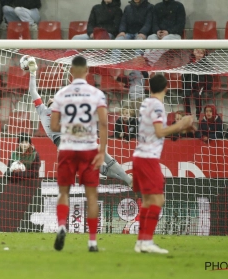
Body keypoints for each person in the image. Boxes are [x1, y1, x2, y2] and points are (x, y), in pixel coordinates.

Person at [23, 55, 133, 187]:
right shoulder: (44, 110)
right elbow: (33, 91)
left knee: (99, 167)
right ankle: (127, 179)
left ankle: (128, 180)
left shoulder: (60, 110)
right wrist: (33, 73)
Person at [50, 56, 107, 252]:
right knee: (91, 196)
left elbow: (54, 125)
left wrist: (71, 127)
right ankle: (92, 242)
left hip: (67, 147)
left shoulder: (61, 95)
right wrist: (102, 151)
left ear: (71, 71)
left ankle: (61, 226)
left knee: (63, 192)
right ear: (87, 71)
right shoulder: (96, 94)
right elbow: (104, 123)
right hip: (89, 149)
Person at [133, 74, 193, 253]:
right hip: (148, 157)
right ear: (167, 87)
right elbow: (159, 132)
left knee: (146, 201)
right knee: (159, 199)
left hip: (140, 155)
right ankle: (148, 241)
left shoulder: (146, 103)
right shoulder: (157, 105)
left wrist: (180, 127)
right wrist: (181, 124)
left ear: (149, 87)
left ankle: (141, 242)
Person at [144, 0, 185, 65]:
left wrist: (168, 32)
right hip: (159, 34)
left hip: (174, 35)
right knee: (151, 37)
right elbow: (154, 23)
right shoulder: (157, 6)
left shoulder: (179, 6)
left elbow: (180, 25)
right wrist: (157, 31)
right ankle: (146, 59)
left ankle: (148, 62)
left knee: (165, 40)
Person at [182, 49, 213, 120]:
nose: (199, 54)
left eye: (201, 53)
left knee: (197, 94)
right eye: (197, 52)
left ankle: (198, 113)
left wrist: (207, 86)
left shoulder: (206, 64)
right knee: (185, 94)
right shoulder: (189, 63)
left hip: (201, 85)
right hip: (190, 84)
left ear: (204, 54)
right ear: (193, 52)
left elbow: (209, 78)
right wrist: (184, 85)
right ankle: (188, 113)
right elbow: (185, 76)